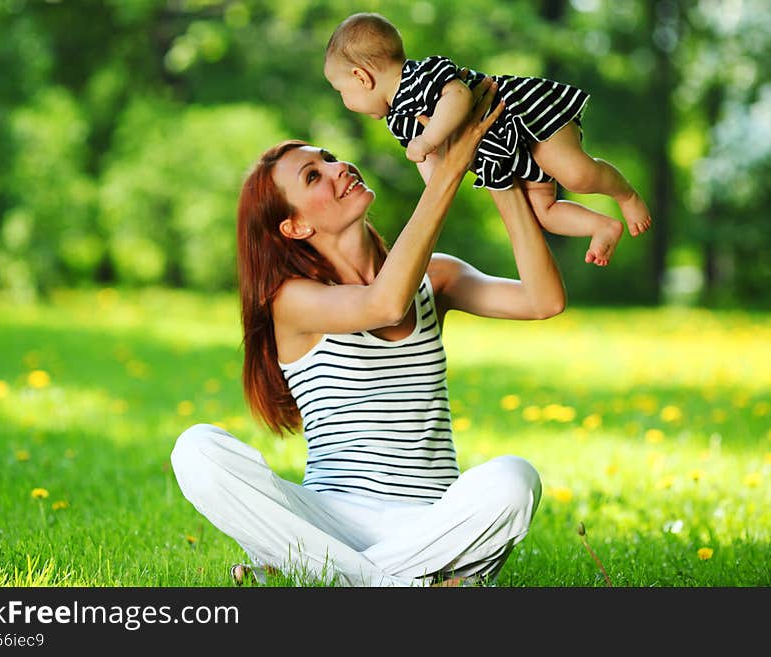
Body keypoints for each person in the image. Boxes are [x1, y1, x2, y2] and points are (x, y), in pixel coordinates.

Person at [170, 77, 564, 587]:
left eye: (330, 157)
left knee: (515, 479)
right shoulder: (292, 300)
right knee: (196, 449)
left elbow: (543, 300)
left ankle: (332, 579)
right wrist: (448, 170)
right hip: (329, 522)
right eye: (314, 176)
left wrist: (499, 171)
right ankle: (397, 585)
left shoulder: (434, 278)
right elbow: (382, 304)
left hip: (429, 525)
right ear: (295, 228)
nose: (338, 168)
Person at [324, 12, 652, 267]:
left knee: (576, 174)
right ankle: (602, 226)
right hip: (510, 155)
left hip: (526, 119)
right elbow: (435, 168)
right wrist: (437, 189)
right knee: (544, 213)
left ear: (361, 78)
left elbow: (458, 98)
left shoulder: (419, 75)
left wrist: (428, 140)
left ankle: (625, 195)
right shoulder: (399, 122)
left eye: (342, 92)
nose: (344, 101)